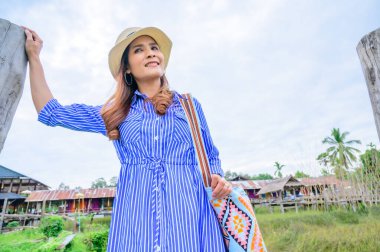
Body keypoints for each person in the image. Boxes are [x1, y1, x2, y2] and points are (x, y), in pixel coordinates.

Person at [24, 26, 232, 251]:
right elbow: (50, 112)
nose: (151, 53)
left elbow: (210, 155)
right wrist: (34, 57)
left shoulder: (188, 106)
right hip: (135, 224)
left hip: (191, 219)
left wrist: (218, 177)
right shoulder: (115, 112)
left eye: (154, 48)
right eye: (139, 50)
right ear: (127, 69)